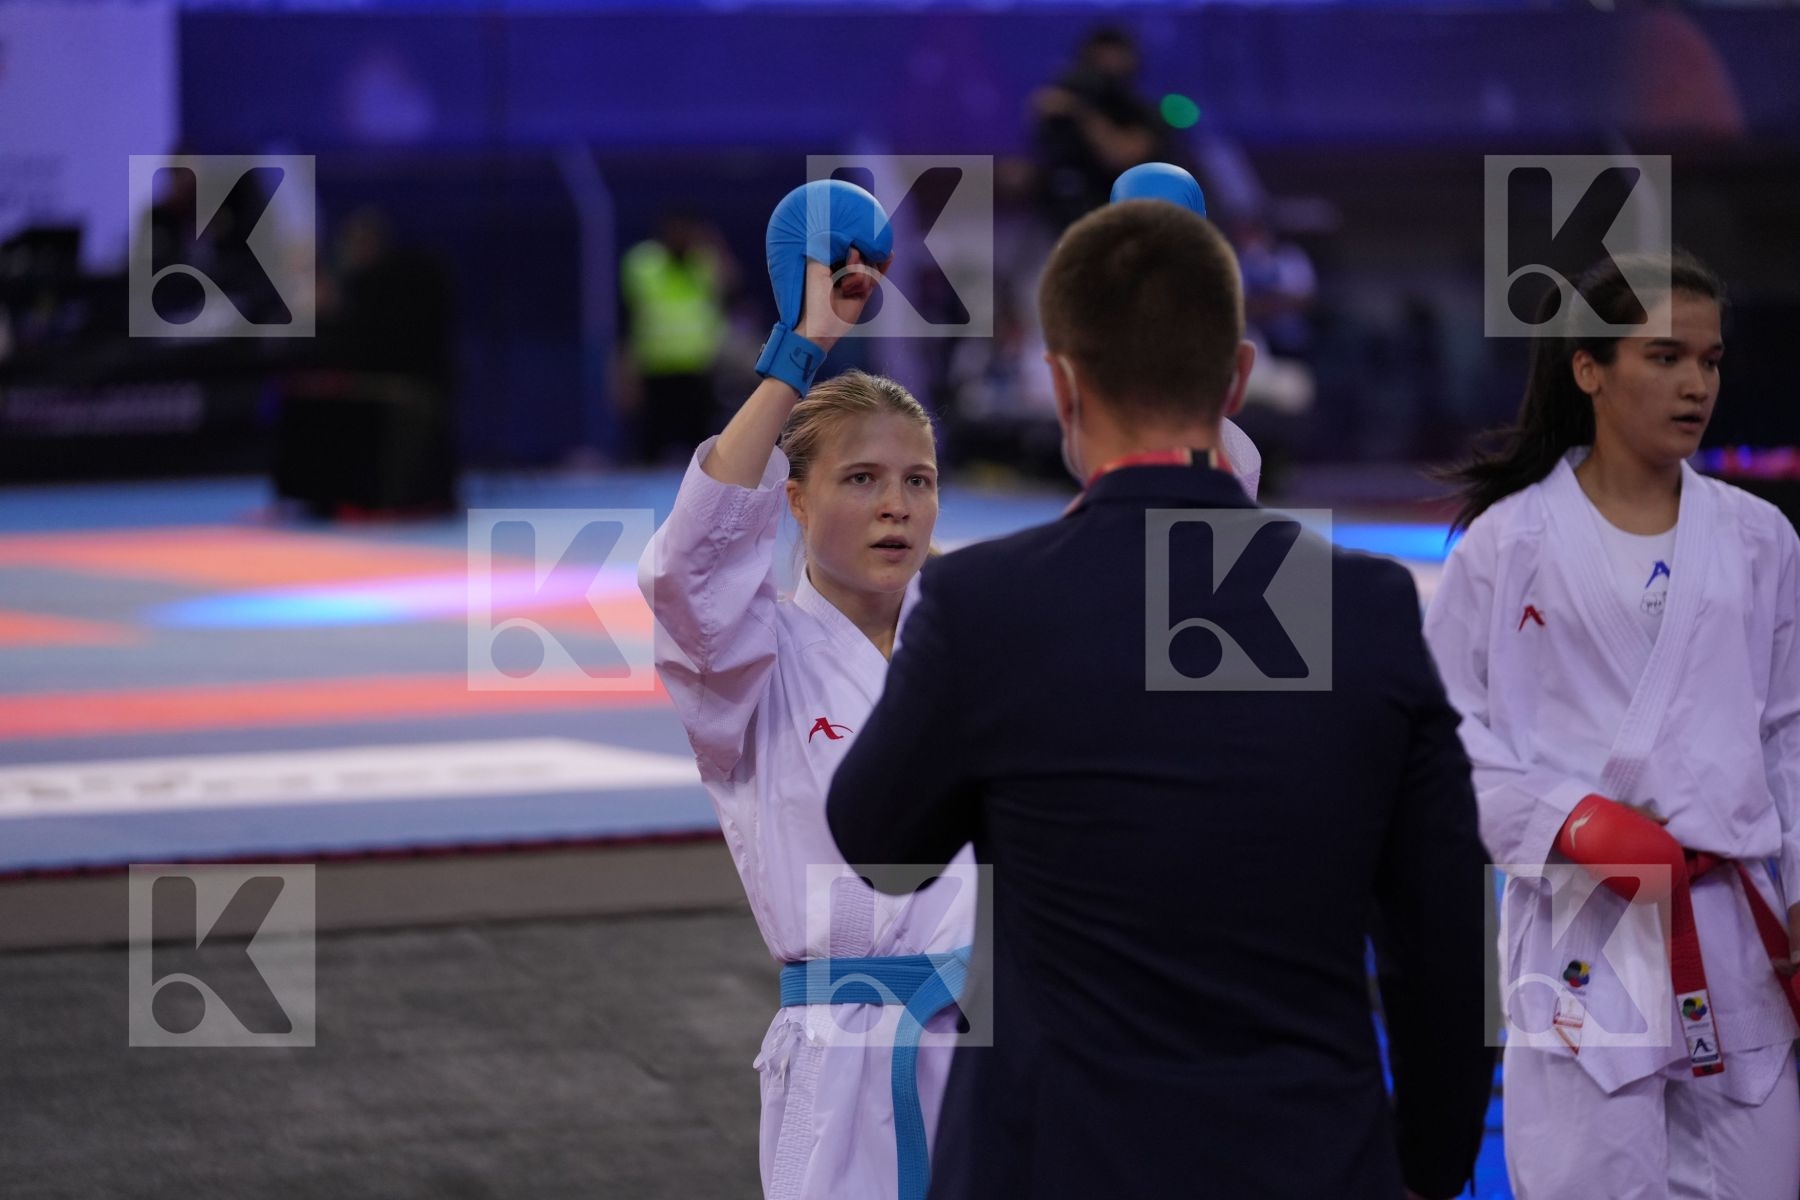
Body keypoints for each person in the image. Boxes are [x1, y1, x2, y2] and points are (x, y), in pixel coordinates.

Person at [825, 199, 1494, 1199]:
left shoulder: (990, 605)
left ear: (1060, 381)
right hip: (1313, 1162)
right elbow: (1445, 954)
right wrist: (1427, 1171)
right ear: (1236, 377)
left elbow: (878, 846)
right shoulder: (1365, 608)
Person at [1424, 252, 1800, 1199]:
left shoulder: (1761, 539)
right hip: (1588, 919)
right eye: (1665, 356)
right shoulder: (1507, 544)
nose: (1695, 384)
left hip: (1734, 919)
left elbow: (1789, 734)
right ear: (1588, 368)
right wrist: (1564, 821)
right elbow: (1443, 739)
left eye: (1710, 362)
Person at [638, 180, 975, 1200]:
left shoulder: (974, 642)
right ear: (794, 498)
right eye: (861, 479)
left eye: (917, 480)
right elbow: (685, 566)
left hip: (1002, 1052)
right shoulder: (748, 660)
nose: (896, 506)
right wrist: (802, 346)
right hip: (840, 1071)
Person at [619, 212, 736, 465]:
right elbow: (627, 317)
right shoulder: (644, 263)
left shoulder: (704, 261)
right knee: (651, 444)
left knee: (702, 447)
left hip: (698, 367)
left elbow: (730, 287)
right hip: (655, 367)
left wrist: (715, 245)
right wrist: (625, 369)